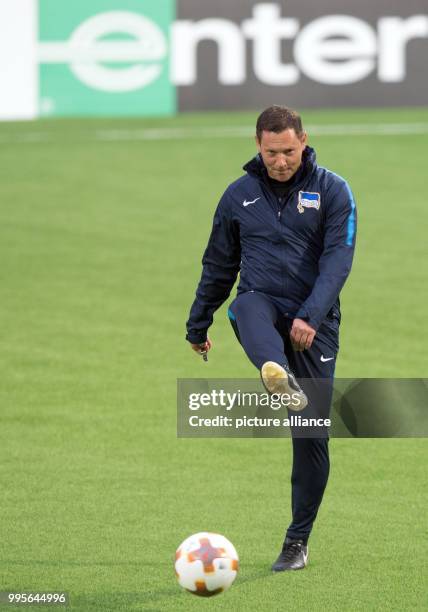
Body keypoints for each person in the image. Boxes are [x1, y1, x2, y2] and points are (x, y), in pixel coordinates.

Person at [185, 105, 356, 571]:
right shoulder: (237, 196)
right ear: (257, 146)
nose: (280, 161)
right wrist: (198, 324)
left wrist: (310, 317)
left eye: (288, 151)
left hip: (315, 324)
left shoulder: (333, 191)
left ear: (304, 141)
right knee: (246, 306)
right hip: (260, 303)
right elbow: (219, 266)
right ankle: (273, 374)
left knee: (312, 437)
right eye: (270, 152)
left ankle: (297, 542)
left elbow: (338, 261)